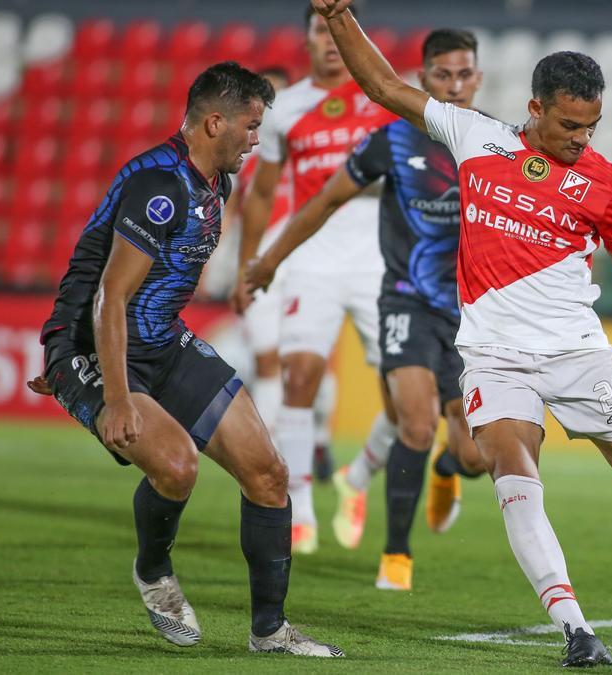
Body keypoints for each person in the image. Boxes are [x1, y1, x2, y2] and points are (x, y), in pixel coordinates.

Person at [309, 1, 612, 666]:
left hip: (576, 351)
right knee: (509, 469)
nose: (580, 139)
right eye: (568, 124)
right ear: (535, 108)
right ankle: (576, 628)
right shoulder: (477, 137)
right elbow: (385, 87)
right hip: (494, 355)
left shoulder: (606, 183)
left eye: (591, 126)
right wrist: (339, 16)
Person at [30, 61, 343, 657]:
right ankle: (154, 573)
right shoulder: (161, 188)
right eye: (251, 126)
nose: (256, 139)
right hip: (97, 343)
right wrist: (111, 394)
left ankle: (270, 632)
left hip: (160, 339)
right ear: (213, 123)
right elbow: (111, 296)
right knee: (176, 466)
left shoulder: (213, 180)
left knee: (269, 474)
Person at [247, 28, 489, 591]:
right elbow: (324, 200)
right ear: (422, 79)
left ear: (478, 78)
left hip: (472, 312)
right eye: (443, 75)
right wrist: (268, 259)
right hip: (403, 298)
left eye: (464, 74)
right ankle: (395, 555)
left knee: (475, 454)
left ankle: (448, 472)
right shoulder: (391, 139)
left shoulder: (496, 143)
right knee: (415, 420)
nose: (454, 87)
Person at [233, 4, 399, 555]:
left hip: (381, 261)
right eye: (319, 29)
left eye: (338, 31)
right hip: (311, 259)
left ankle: (361, 471)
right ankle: (298, 505)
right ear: (305, 38)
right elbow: (261, 193)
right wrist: (249, 265)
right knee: (298, 378)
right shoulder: (286, 110)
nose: (329, 41)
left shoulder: (385, 99)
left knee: (404, 395)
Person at [222, 65, 340, 483]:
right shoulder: (247, 156)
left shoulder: (313, 150)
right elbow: (233, 209)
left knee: (306, 363)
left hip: (306, 260)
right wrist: (227, 266)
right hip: (259, 261)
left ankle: (312, 443)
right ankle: (274, 456)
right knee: (268, 362)